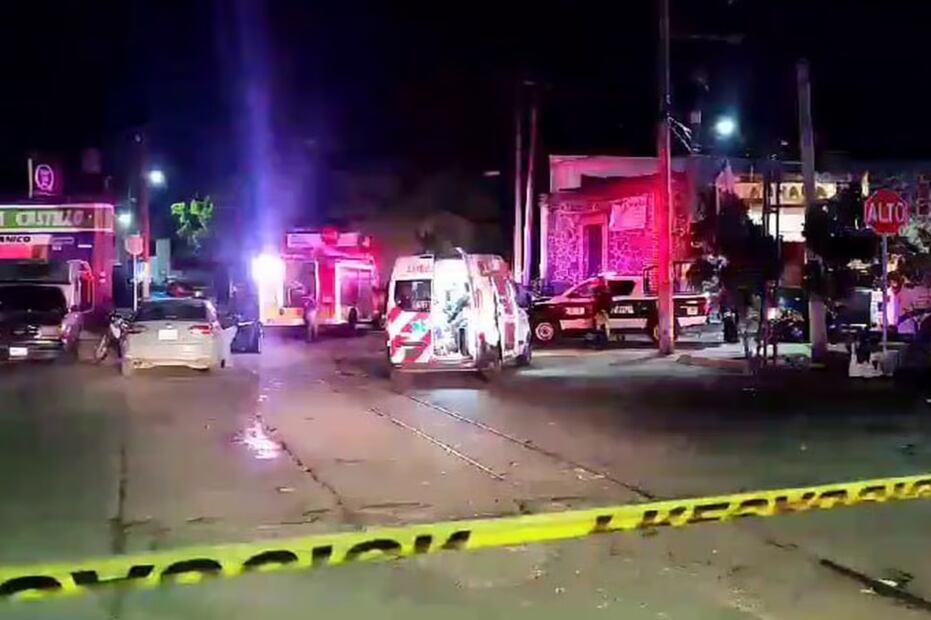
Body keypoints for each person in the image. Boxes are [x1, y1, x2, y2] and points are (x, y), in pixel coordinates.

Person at [592, 276, 613, 347]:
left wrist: (600, 310)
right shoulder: (607, 289)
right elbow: (609, 301)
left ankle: (600, 343)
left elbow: (599, 301)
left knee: (599, 327)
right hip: (604, 310)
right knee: (603, 326)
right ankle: (603, 342)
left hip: (600, 311)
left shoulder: (599, 290)